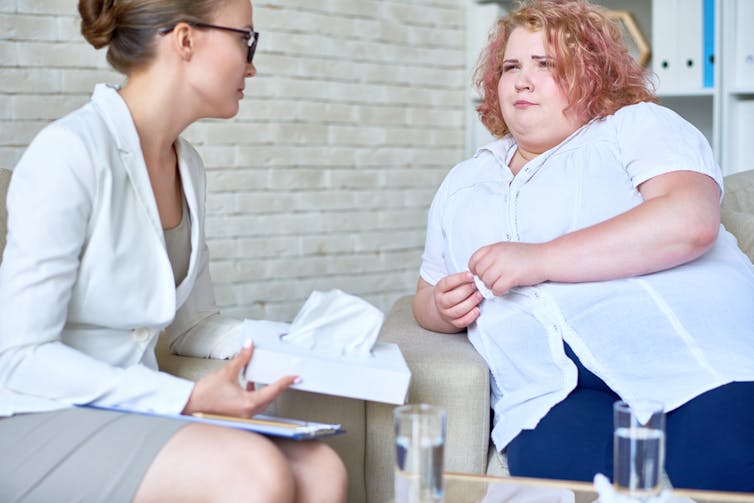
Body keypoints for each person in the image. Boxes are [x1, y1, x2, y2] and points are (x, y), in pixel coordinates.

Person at [0, 0, 347, 502]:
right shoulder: (69, 152)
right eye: (245, 39)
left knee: (321, 469)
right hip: (37, 414)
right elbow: (19, 356)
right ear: (185, 39)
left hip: (129, 407)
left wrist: (305, 342)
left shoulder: (189, 167)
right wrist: (183, 397)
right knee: (253, 472)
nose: (252, 64)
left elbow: (191, 324)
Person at [413, 0, 754, 492]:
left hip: (684, 360)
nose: (522, 81)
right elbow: (424, 295)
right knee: (569, 488)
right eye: (511, 67)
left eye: (545, 65)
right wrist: (443, 309)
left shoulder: (635, 127)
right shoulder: (463, 182)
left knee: (726, 468)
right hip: (549, 389)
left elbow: (690, 221)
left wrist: (540, 259)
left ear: (591, 75)